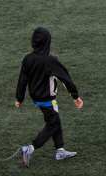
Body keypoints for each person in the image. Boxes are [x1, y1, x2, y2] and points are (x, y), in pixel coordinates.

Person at [13, 27, 83, 165]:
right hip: (47, 99)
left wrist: (19, 98)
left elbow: (22, 80)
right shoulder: (50, 60)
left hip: (36, 99)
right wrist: (75, 96)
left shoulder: (27, 59)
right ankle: (30, 148)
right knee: (53, 124)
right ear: (47, 43)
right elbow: (65, 78)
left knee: (54, 119)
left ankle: (60, 150)